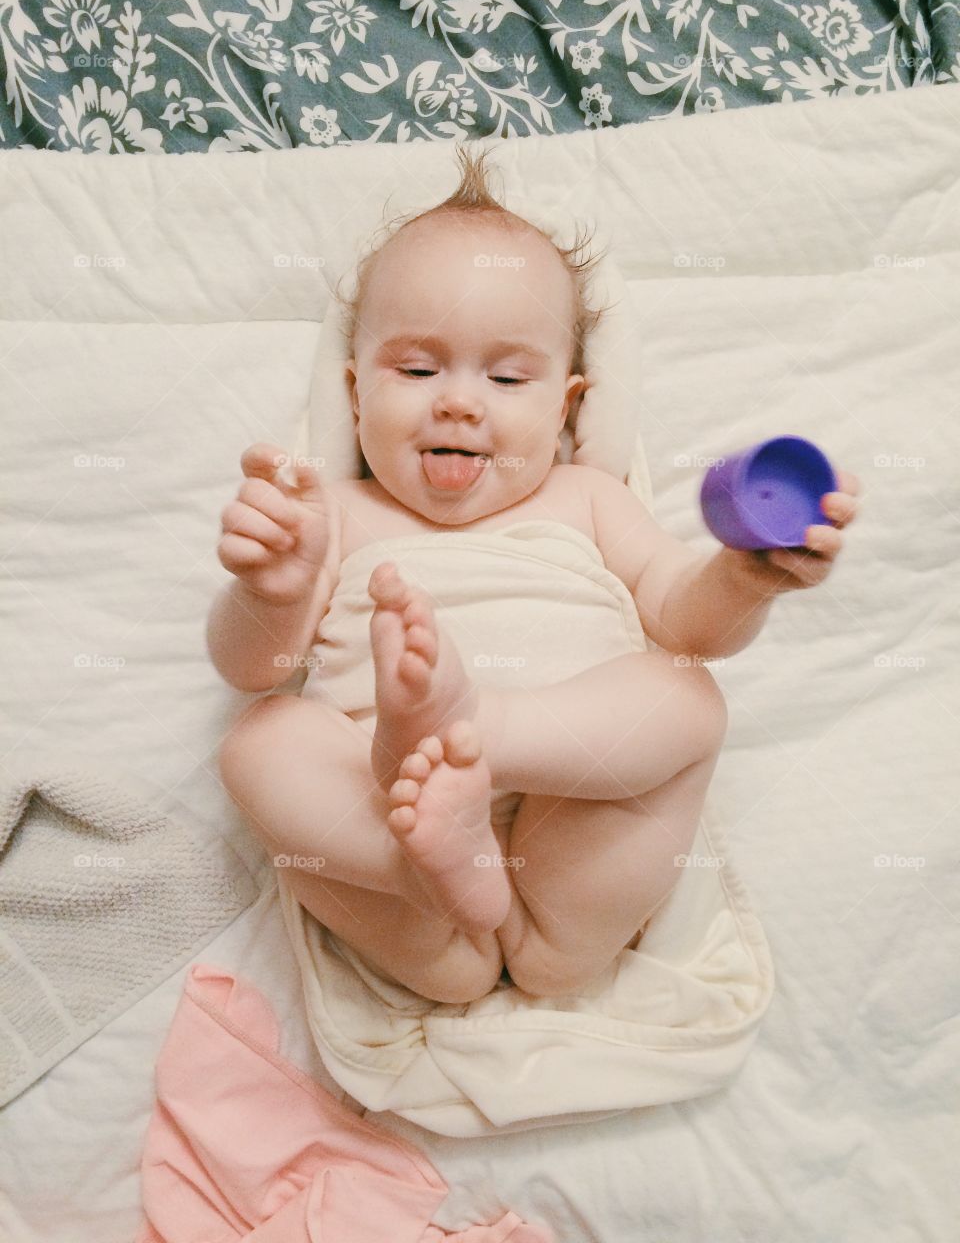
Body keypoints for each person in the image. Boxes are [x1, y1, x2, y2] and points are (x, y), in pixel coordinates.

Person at [208, 143, 861, 1004]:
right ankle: (418, 875)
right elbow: (249, 668)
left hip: (575, 830)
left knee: (687, 692)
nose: (459, 400)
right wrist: (271, 591)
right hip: (398, 826)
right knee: (259, 740)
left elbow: (685, 619)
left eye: (509, 375)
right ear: (356, 393)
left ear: (566, 405)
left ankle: (481, 730)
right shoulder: (331, 513)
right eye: (416, 369)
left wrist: (745, 580)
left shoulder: (585, 497)